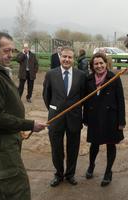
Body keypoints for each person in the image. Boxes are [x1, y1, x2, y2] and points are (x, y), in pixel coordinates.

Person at [0, 32, 47, 200]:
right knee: (17, 187)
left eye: (12, 51)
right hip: (1, 142)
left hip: (6, 138)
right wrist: (29, 125)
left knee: (6, 184)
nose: (11, 55)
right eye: (6, 51)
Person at [43, 46, 86, 187]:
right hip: (56, 118)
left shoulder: (81, 75)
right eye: (64, 56)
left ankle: (70, 174)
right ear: (60, 57)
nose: (67, 59)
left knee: (73, 148)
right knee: (56, 148)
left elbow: (83, 96)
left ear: (73, 59)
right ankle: (58, 174)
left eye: (70, 57)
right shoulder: (50, 74)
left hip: (74, 118)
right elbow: (46, 96)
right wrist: (55, 108)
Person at [83, 52, 126, 187]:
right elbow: (85, 101)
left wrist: (121, 121)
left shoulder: (114, 78)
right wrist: (86, 118)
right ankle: (91, 166)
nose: (99, 66)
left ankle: (108, 172)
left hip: (110, 118)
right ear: (92, 65)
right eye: (96, 63)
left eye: (101, 63)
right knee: (94, 144)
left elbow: (121, 100)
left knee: (110, 144)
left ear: (106, 64)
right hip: (95, 117)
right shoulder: (88, 79)